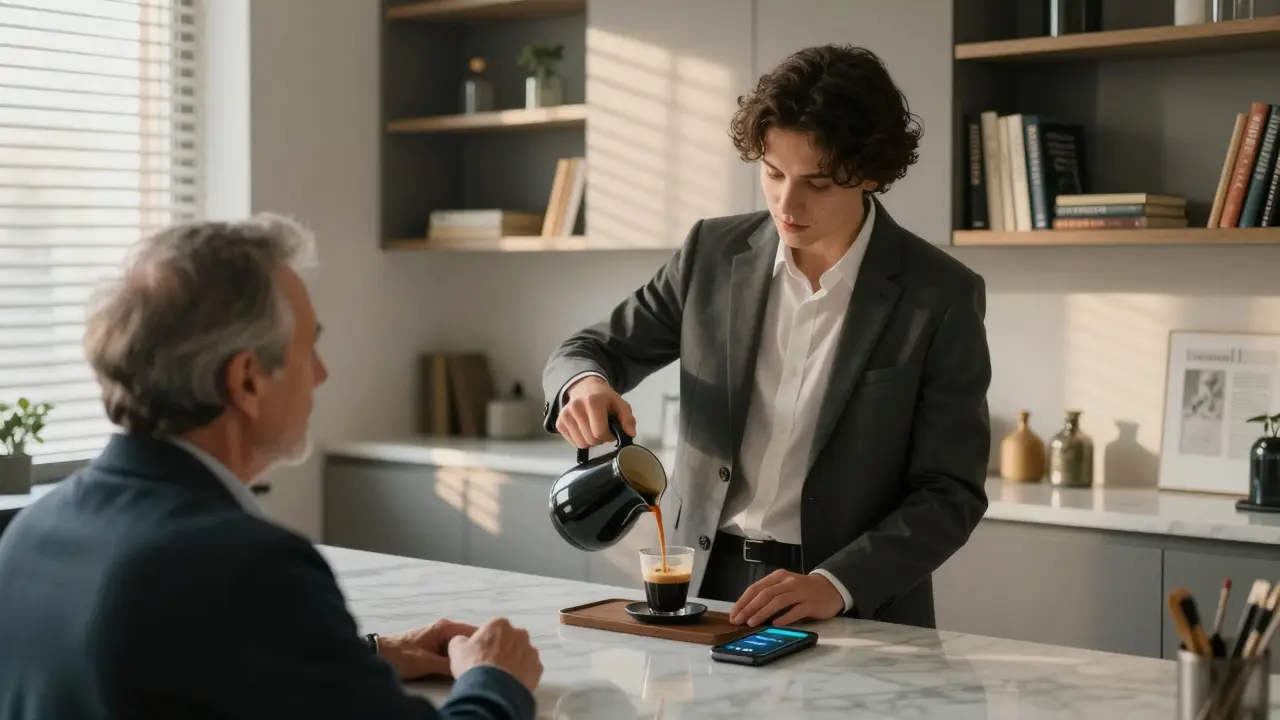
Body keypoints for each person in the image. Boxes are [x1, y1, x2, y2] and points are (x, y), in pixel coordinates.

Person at [0, 214, 541, 719]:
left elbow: (171, 664)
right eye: (309, 349)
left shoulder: (31, 532)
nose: (322, 375)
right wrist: (495, 678)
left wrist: (367, 654)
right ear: (248, 381)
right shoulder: (246, 569)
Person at [541, 45, 991, 631]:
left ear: (872, 174)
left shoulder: (940, 294)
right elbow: (591, 349)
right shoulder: (712, 253)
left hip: (850, 600)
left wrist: (836, 585)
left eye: (818, 183)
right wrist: (585, 385)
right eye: (773, 173)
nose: (786, 202)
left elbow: (950, 491)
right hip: (701, 584)